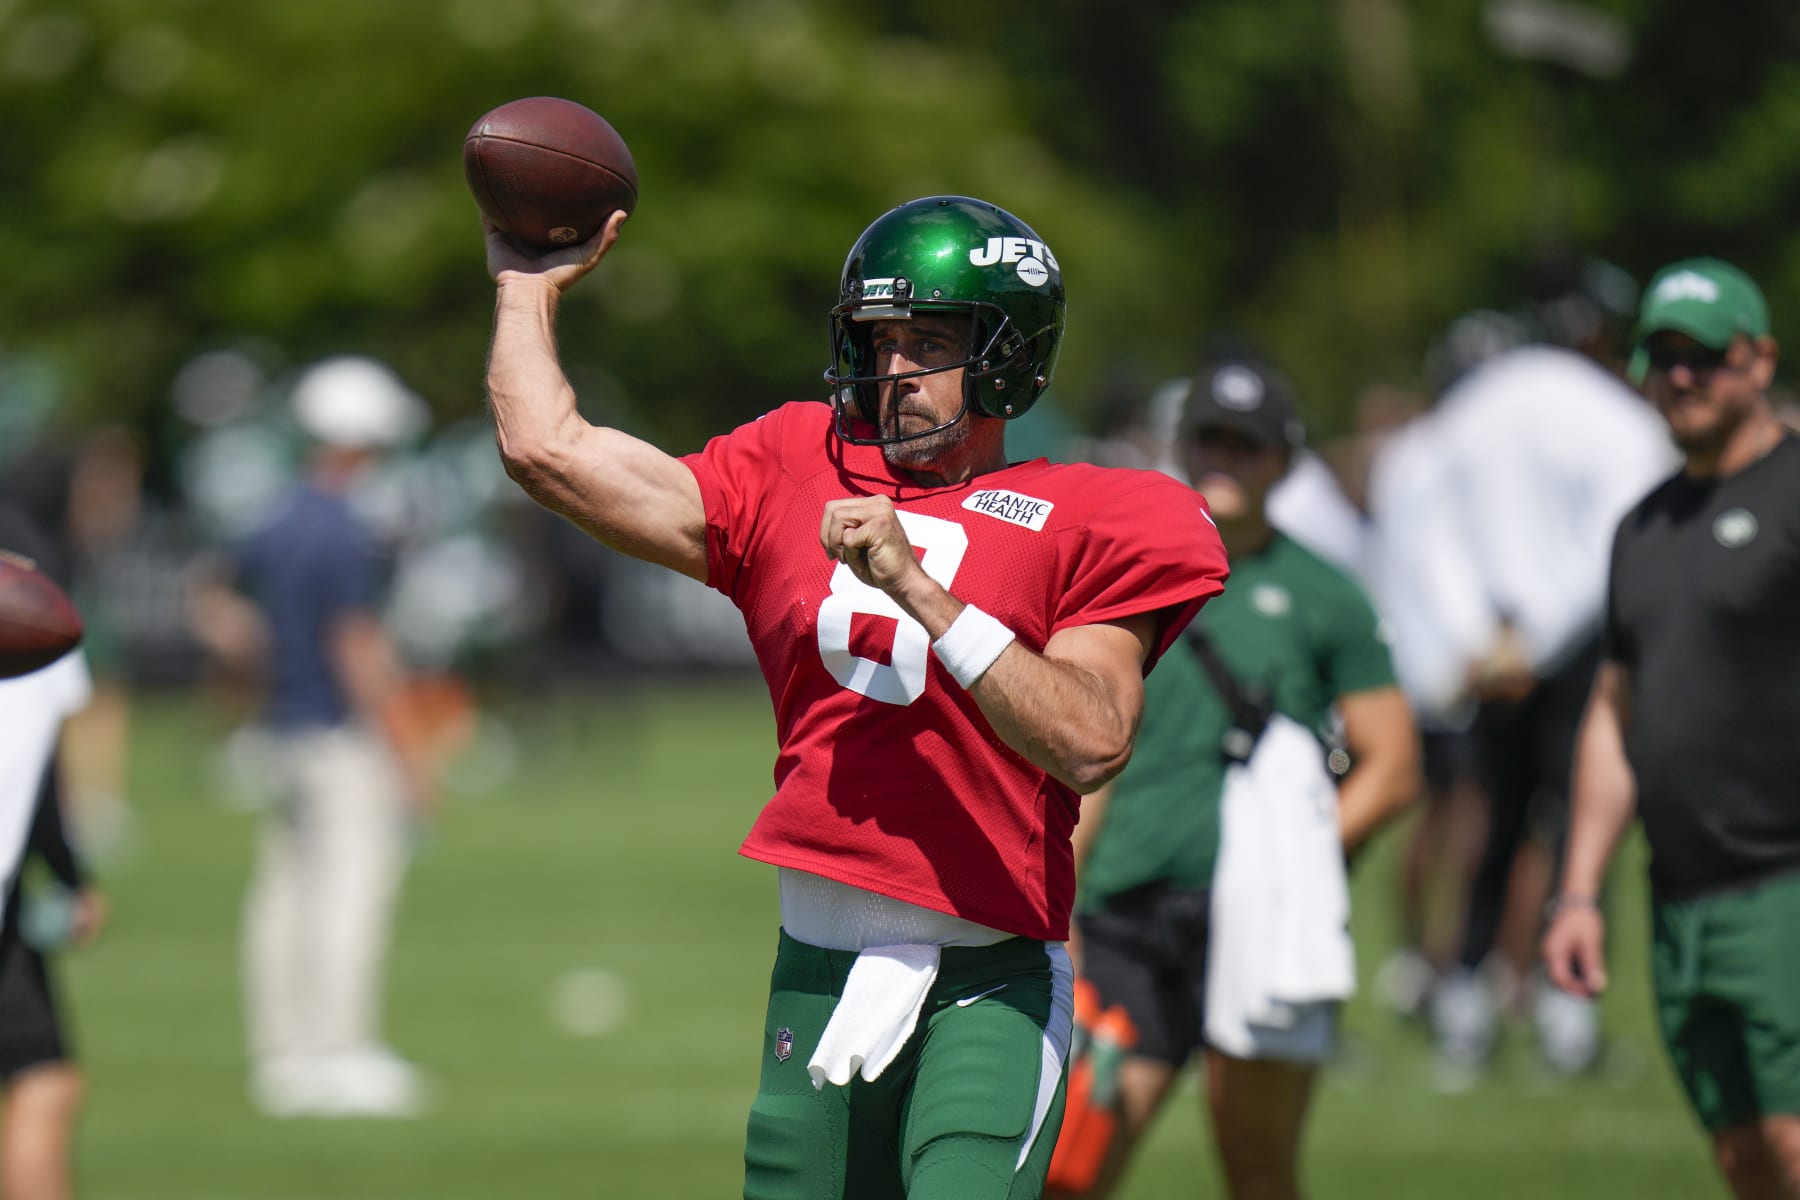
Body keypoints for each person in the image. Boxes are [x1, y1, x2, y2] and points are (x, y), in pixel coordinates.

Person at [483, 195, 1228, 1198]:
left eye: (928, 342)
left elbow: (1090, 741)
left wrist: (920, 589)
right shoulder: (794, 464)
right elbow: (550, 451)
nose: (895, 371)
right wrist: (525, 284)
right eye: (879, 342)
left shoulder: (1099, 511)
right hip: (816, 966)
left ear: (1007, 356)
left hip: (988, 978)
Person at [1051, 357, 1418, 1200]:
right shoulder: (1129, 576)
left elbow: (1394, 764)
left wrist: (1303, 859)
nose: (1227, 458)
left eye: (1248, 444)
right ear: (1183, 447)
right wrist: (1057, 892)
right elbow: (1087, 747)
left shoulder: (1327, 596)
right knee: (1070, 1171)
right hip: (1130, 915)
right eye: (1211, 438)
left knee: (1258, 1173)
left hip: (1259, 923)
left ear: (1284, 460)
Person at [1543, 257, 1800, 1200]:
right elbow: (1616, 713)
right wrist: (1577, 893)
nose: (1681, 375)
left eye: (1705, 356)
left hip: (1786, 888)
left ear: (1760, 360)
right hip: (1681, 902)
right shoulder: (1640, 529)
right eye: (1662, 355)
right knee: (1744, 1161)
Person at [1399, 296, 1674, 1085]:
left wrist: (1478, 637)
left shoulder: (1472, 407)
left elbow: (1429, 528)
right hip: (1575, 648)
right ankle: (1566, 1014)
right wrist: (1544, 639)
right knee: (1580, 828)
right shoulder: (1610, 413)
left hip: (1492, 649)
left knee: (1492, 827)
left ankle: (1465, 1004)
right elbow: (1619, 538)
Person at [196, 355, 437, 1119]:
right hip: (338, 734)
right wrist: (410, 760)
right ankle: (341, 1054)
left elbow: (208, 596)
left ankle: (285, 1057)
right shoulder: (342, 527)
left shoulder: (277, 515)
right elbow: (357, 648)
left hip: (283, 727)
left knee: (284, 896)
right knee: (348, 896)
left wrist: (254, 660)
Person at [0, 504, 103, 1200]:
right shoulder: (24, 548)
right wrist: (71, 876)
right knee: (44, 1083)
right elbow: (32, 760)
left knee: (46, 1080)